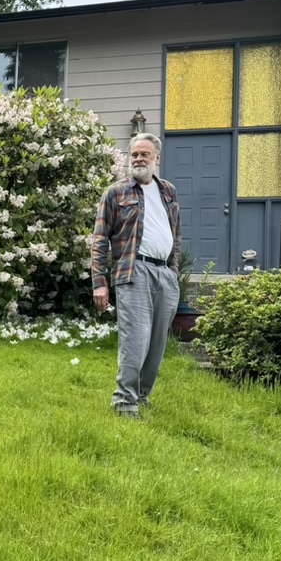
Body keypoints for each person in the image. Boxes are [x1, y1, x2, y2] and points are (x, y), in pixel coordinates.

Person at [91, 132, 181, 420]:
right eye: (134, 154)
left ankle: (141, 397)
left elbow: (175, 236)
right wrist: (99, 283)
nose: (139, 159)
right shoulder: (116, 193)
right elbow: (99, 240)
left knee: (157, 342)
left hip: (164, 274)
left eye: (145, 154)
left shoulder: (168, 190)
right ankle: (124, 402)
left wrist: (174, 271)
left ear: (157, 158)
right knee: (136, 339)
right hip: (134, 271)